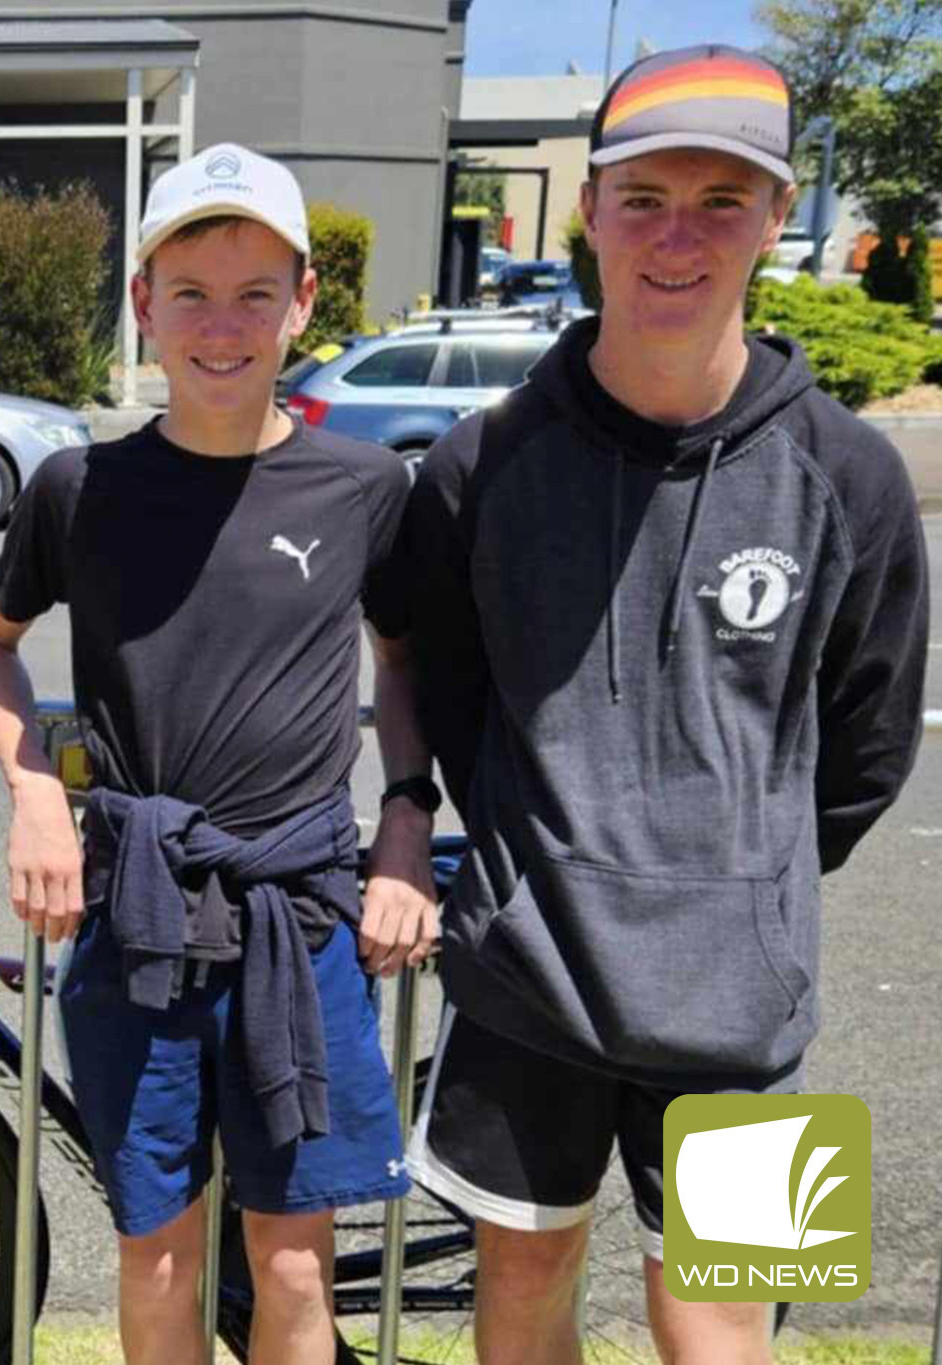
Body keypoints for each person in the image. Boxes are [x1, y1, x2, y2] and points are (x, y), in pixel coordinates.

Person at [391, 46, 930, 1365]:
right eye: (645, 198)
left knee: (723, 1330)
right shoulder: (482, 463)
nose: (678, 237)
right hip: (529, 985)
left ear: (777, 216)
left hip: (746, 1000)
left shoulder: (852, 477)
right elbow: (429, 666)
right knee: (520, 1302)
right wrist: (503, 844)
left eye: (723, 201)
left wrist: (748, 879)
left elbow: (868, 740)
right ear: (588, 207)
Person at [0, 144, 440, 1365]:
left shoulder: (365, 488)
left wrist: (400, 829)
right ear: (141, 303)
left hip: (301, 912)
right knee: (156, 1244)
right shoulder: (79, 487)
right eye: (188, 293)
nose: (220, 327)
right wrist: (37, 793)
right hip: (137, 914)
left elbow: (402, 663)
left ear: (305, 303)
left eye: (253, 294)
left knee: (289, 1254)